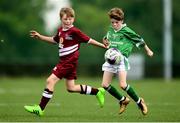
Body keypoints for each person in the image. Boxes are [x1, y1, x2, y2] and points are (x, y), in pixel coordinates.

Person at [24, 7, 106, 116]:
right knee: (71, 88)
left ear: (73, 19)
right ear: (61, 19)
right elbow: (54, 40)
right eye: (65, 19)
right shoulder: (60, 30)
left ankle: (40, 108)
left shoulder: (75, 31)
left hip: (68, 62)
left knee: (50, 81)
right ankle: (98, 91)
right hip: (65, 62)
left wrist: (103, 46)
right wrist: (40, 37)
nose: (68, 21)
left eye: (70, 19)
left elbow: (89, 40)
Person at [101, 7, 153, 115]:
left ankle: (139, 102)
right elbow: (107, 38)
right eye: (112, 22)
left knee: (123, 85)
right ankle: (123, 100)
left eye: (117, 22)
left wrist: (148, 50)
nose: (114, 24)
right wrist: (105, 41)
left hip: (121, 59)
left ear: (122, 21)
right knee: (105, 85)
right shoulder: (110, 29)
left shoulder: (126, 31)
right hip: (110, 60)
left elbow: (139, 40)